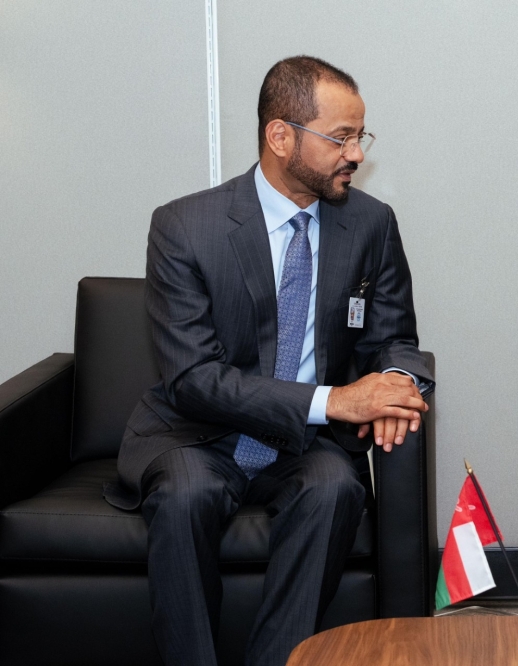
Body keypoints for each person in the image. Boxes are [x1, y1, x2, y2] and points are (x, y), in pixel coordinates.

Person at [105, 56, 434, 666]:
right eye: (340, 138)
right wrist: (334, 400)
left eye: (360, 136)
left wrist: (393, 382)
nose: (356, 154)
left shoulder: (370, 225)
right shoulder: (184, 227)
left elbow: (396, 340)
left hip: (305, 446)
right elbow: (192, 378)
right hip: (198, 435)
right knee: (184, 496)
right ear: (280, 137)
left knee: (337, 488)